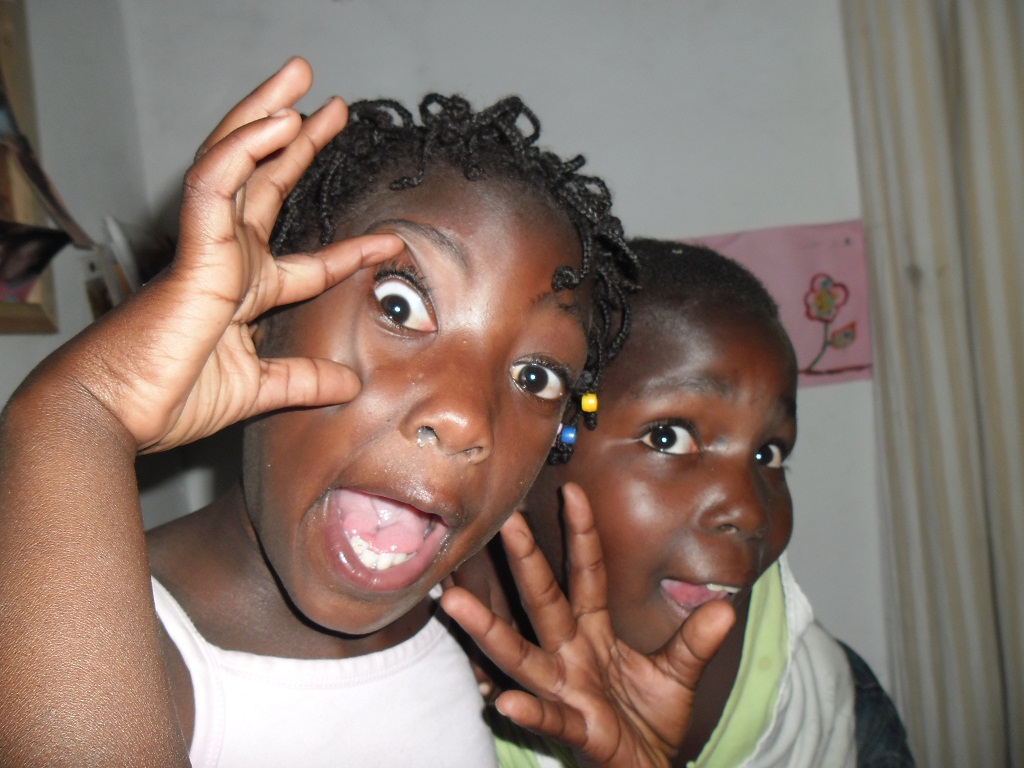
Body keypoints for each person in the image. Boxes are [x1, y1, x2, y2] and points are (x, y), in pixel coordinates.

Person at [0, 60, 733, 768]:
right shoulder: (112, 648)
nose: (466, 418)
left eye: (535, 376)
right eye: (400, 306)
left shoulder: (472, 619)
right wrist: (81, 410)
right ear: (261, 317)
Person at [481, 238, 914, 767]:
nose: (748, 512)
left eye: (769, 454)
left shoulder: (817, 695)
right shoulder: (431, 684)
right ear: (529, 455)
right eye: (668, 438)